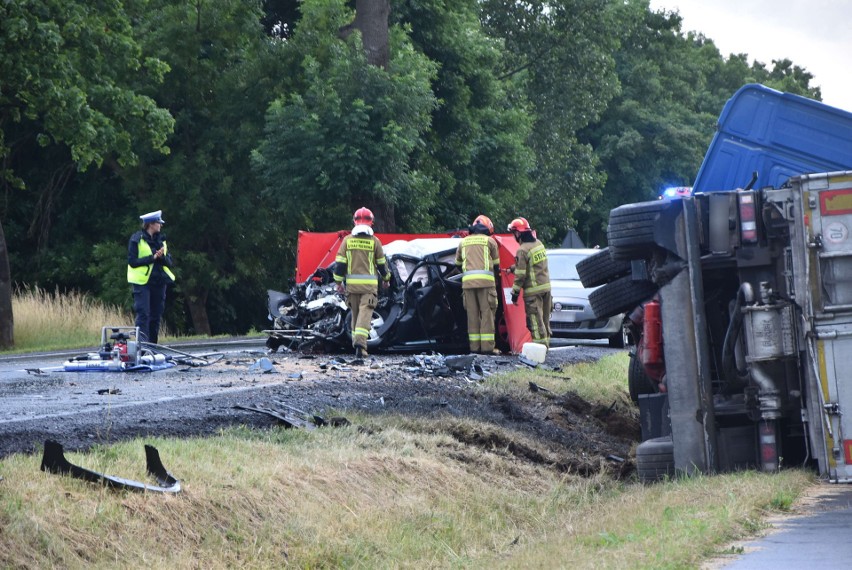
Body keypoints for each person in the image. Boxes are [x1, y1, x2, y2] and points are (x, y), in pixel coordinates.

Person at [333, 207, 390, 358]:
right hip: (369, 288)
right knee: (365, 315)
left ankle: (357, 345)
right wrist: (386, 279)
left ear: (354, 221)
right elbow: (382, 265)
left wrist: (338, 283)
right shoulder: (374, 242)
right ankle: (360, 345)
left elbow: (340, 265)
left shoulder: (347, 241)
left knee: (356, 315)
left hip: (351, 288)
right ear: (371, 223)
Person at [127, 210, 175, 345]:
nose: (161, 225)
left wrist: (161, 257)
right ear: (151, 224)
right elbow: (132, 261)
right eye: (159, 223)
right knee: (143, 314)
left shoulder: (162, 241)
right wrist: (152, 258)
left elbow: (170, 262)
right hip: (142, 282)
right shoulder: (136, 239)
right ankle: (142, 346)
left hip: (159, 281)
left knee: (156, 315)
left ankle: (153, 346)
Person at [455, 215, 501, 354]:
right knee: (487, 315)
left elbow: (457, 264)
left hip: (468, 285)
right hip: (486, 284)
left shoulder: (463, 242)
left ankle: (474, 348)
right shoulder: (490, 242)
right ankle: (487, 348)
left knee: (472, 316)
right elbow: (497, 266)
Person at [507, 217, 552, 347]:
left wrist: (514, 293)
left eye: (514, 233)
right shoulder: (539, 244)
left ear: (518, 233)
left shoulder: (522, 250)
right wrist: (512, 268)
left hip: (533, 293)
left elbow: (521, 274)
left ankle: (539, 352)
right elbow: (531, 264)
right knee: (544, 321)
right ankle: (546, 348)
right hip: (546, 290)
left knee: (535, 323)